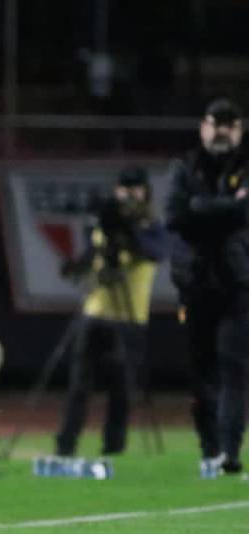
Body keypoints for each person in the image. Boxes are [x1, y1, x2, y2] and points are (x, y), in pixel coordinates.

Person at [55, 167, 167, 459]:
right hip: (95, 313)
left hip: (130, 319)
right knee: (79, 386)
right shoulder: (104, 226)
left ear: (146, 193)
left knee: (122, 390)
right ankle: (65, 447)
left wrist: (126, 233)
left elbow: (153, 253)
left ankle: (113, 449)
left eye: (135, 189)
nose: (129, 195)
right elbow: (90, 260)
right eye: (124, 189)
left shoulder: (152, 227)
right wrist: (74, 267)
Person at [164, 98, 249, 478]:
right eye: (217, 123)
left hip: (238, 283)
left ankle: (229, 452)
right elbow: (174, 215)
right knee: (201, 373)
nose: (222, 131)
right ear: (204, 127)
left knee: (234, 369)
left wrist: (200, 208)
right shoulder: (185, 166)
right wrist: (227, 206)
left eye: (230, 125)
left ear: (240, 129)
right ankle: (210, 449)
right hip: (195, 284)